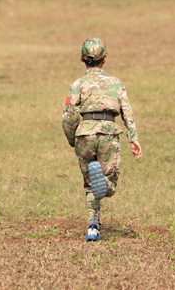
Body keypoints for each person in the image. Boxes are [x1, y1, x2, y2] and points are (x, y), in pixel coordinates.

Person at [62, 38, 142, 241]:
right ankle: (104, 186)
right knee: (109, 183)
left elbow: (69, 116)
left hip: (85, 133)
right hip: (108, 131)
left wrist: (73, 139)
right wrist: (133, 138)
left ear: (81, 58)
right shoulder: (116, 83)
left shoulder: (77, 84)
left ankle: (93, 227)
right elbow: (127, 112)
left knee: (89, 184)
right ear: (104, 60)